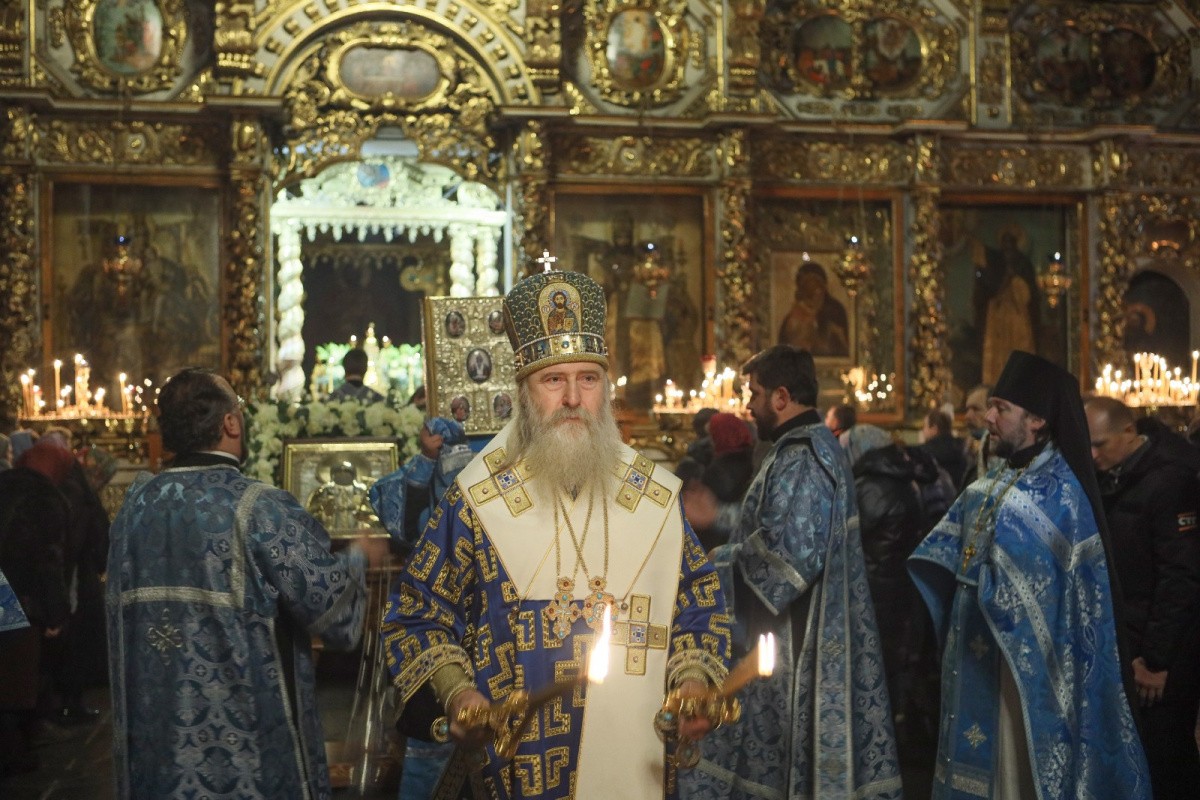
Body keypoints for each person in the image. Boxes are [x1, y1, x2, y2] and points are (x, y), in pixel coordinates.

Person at [379, 266, 730, 799]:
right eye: (553, 380)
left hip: (636, 763)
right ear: (524, 393)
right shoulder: (477, 501)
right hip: (514, 767)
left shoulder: (654, 499)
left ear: (605, 389)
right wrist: (459, 694)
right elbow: (418, 614)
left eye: (587, 379)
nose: (572, 398)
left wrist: (693, 681)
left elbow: (698, 603)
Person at [106, 367, 388, 800]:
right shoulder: (259, 507)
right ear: (230, 423)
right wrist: (358, 557)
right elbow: (330, 610)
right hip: (247, 756)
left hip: (156, 750)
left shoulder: (134, 508)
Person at [908, 351, 1150, 799]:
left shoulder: (1062, 493)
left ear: (1037, 420)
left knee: (1014, 772)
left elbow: (1050, 593)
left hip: (1024, 669)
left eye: (1001, 409)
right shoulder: (997, 479)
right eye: (991, 407)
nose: (989, 418)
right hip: (977, 656)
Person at [681, 345, 902, 800]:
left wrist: (712, 564)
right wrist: (720, 517)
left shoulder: (804, 456)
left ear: (781, 397)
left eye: (754, 393)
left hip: (795, 641)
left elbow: (787, 561)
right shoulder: (804, 448)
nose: (748, 405)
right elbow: (775, 521)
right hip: (792, 631)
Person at [1085, 397, 1200, 799]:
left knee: (1166, 760)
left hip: (1164, 657)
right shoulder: (1115, 478)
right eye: (1087, 445)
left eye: (1100, 444)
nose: (1093, 455)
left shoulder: (1170, 481)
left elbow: (1179, 578)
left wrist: (1155, 660)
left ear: (1129, 432)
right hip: (1128, 644)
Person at [841, 424, 940, 798]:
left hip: (874, 595)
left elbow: (846, 540)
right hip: (898, 594)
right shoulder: (903, 479)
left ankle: (873, 767)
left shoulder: (871, 487)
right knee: (889, 676)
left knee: (872, 679)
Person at [0, 441, 73, 778]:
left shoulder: (4, 485)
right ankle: (14, 751)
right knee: (18, 677)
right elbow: (46, 561)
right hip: (21, 597)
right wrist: (56, 611)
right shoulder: (46, 499)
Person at [777, 261, 850, 357]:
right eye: (807, 288)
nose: (813, 292)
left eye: (816, 287)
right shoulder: (795, 314)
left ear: (823, 287)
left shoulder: (835, 311)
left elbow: (842, 348)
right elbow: (785, 348)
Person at [916, 409, 968, 488]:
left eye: (925, 426)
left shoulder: (924, 452)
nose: (923, 430)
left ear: (934, 429)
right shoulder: (962, 448)